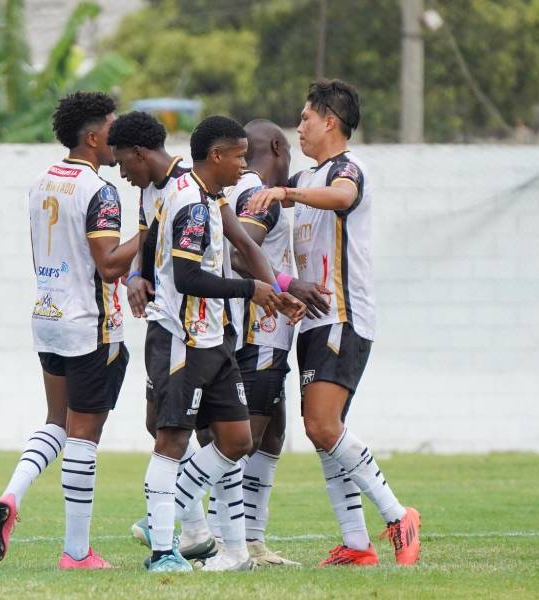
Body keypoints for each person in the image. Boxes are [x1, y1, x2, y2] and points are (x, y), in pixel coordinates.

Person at [247, 79, 421, 566]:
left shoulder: (347, 169)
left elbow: (343, 197)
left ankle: (398, 515)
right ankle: (357, 544)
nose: (299, 126)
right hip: (314, 322)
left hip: (344, 316)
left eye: (305, 117)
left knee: (323, 426)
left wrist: (285, 191)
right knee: (323, 431)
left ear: (330, 120)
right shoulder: (307, 177)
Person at [142, 115, 305, 573]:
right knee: (171, 439)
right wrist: (251, 290)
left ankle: (211, 541)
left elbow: (247, 248)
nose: (243, 165)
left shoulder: (211, 197)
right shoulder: (192, 205)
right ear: (216, 156)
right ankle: (162, 550)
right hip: (183, 339)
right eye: (238, 156)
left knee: (236, 440)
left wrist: (276, 292)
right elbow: (188, 278)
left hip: (215, 339)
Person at [0, 92, 138, 570]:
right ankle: (76, 552)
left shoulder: (40, 182)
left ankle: (12, 493)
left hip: (48, 317)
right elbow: (108, 265)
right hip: (90, 325)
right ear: (92, 137)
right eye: (111, 130)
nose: (117, 138)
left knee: (56, 421)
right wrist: (151, 229)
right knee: (83, 437)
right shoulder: (100, 190)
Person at [210, 118, 330, 567]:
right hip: (258, 332)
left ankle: (253, 540)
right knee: (246, 438)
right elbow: (242, 254)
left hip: (265, 333)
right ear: (278, 147)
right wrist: (289, 284)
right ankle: (207, 532)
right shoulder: (259, 195)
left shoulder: (242, 189)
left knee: (273, 433)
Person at [107, 111, 215, 561]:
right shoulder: (149, 191)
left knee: (192, 434)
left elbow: (219, 251)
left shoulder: (189, 189)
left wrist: (269, 287)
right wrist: (135, 276)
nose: (120, 173)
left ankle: (173, 526)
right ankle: (197, 531)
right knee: (158, 424)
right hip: (161, 324)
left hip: (191, 329)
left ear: (138, 153)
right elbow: (145, 244)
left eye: (121, 162)